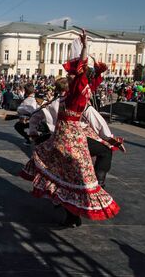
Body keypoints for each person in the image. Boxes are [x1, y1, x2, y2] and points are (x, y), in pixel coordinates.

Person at [19, 30, 119, 227]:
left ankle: (71, 214)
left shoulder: (65, 98)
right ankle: (98, 182)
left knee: (64, 178)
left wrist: (32, 133)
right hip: (72, 140)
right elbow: (93, 106)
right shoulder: (75, 96)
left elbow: (87, 81)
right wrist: (85, 49)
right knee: (83, 174)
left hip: (60, 139)